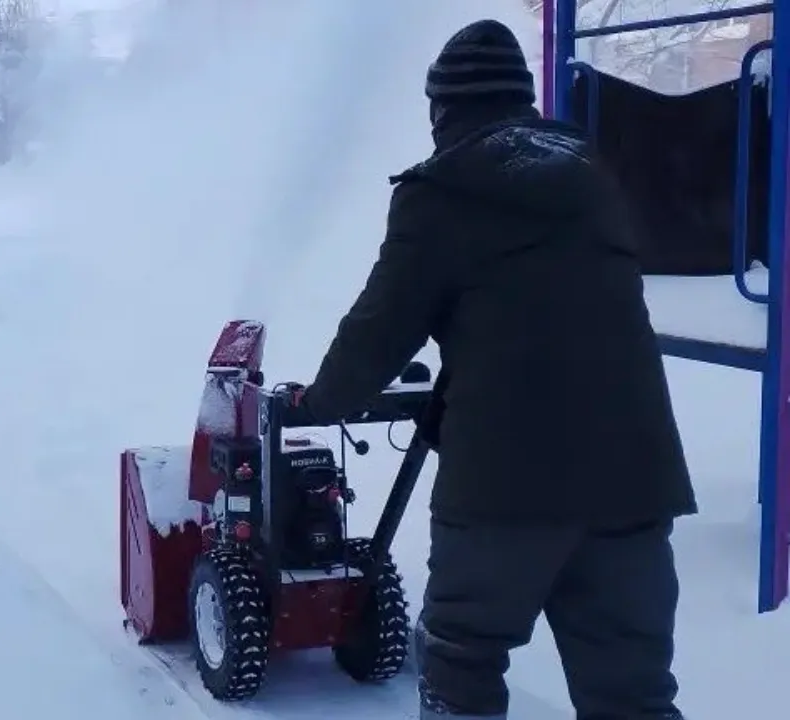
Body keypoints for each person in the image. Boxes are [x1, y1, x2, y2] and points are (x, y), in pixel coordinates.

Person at [293, 18, 697, 720]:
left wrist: (320, 403)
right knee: (632, 695)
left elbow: (382, 326)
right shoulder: (592, 177)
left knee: (462, 661)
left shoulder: (444, 190)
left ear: (444, 108)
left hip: (507, 483)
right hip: (635, 480)